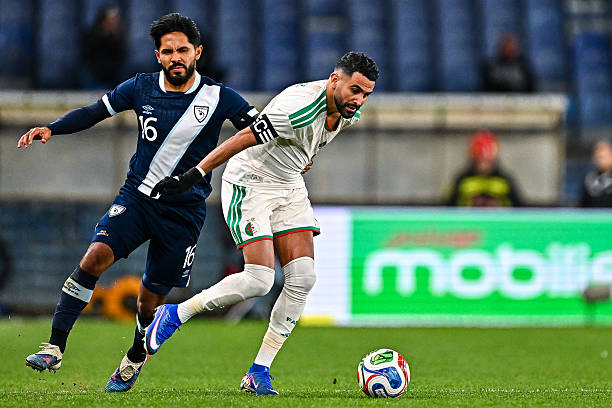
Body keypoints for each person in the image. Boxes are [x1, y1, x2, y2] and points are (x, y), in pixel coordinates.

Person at [19, 13, 258, 392]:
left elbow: (260, 130)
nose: (176, 57)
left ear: (197, 52)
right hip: (137, 199)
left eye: (183, 50)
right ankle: (54, 347)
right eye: (168, 51)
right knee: (94, 257)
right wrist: (52, 127)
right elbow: (93, 112)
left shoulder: (219, 97)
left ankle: (134, 357)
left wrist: (292, 156)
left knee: (149, 304)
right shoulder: (141, 87)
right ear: (158, 55)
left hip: (184, 212)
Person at [144, 51, 378, 396]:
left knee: (303, 278)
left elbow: (309, 141)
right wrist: (195, 174)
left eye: (366, 94)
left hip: (289, 184)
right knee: (259, 279)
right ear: (334, 80)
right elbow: (241, 138)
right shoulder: (298, 107)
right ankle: (176, 314)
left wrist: (303, 157)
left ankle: (258, 371)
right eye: (355, 90)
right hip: (250, 182)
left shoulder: (347, 112)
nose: (359, 100)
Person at [446, 130, 523, 207]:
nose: (483, 163)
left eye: (486, 160)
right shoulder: (463, 180)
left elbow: (520, 207)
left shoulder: (505, 180)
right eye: (479, 159)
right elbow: (448, 206)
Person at [81, 5, 127, 89]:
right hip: (94, 72)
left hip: (113, 74)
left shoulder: (119, 37)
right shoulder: (92, 35)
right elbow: (88, 53)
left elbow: (121, 56)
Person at [579, 137, 612, 207]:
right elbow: (583, 204)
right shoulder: (589, 178)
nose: (600, 160)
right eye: (598, 157)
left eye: (603, 157)